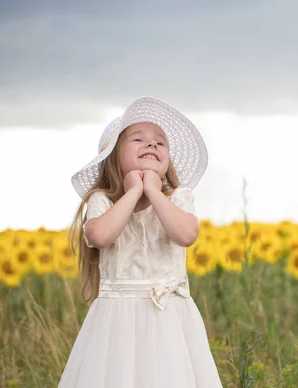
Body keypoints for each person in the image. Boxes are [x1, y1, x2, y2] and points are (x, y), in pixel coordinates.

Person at [59, 97, 223, 387]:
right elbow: (100, 236)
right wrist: (133, 192)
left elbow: (186, 234)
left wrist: (155, 192)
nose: (153, 145)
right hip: (116, 324)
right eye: (139, 139)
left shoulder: (177, 197)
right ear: (113, 156)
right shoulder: (103, 201)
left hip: (169, 319)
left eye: (161, 143)